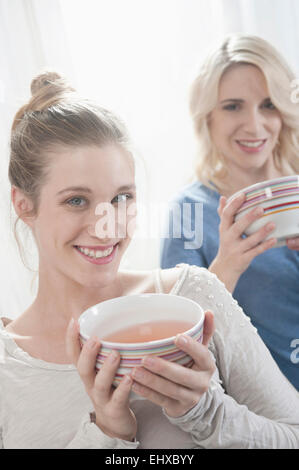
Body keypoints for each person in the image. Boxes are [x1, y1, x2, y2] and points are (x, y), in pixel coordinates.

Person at [0, 72, 298, 450]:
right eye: (77, 200)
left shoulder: (194, 295)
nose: (107, 228)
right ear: (24, 205)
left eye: (122, 197)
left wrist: (208, 414)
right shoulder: (8, 371)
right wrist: (108, 433)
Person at [160, 34, 299, 391]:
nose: (254, 126)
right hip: (268, 411)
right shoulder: (190, 212)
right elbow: (175, 336)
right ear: (207, 117)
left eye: (268, 105)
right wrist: (228, 265)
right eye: (233, 106)